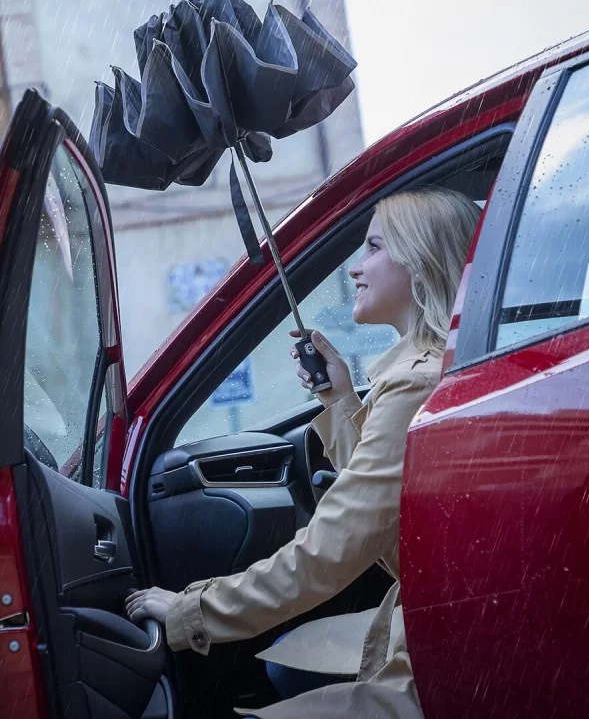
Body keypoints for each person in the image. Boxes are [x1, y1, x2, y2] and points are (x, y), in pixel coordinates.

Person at [126, 187, 481, 717]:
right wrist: (341, 400)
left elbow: (331, 550)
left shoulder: (413, 384)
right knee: (280, 664)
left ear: (420, 258)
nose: (357, 268)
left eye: (374, 248)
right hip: (432, 623)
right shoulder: (428, 371)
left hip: (435, 647)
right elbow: (397, 524)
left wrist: (189, 612)